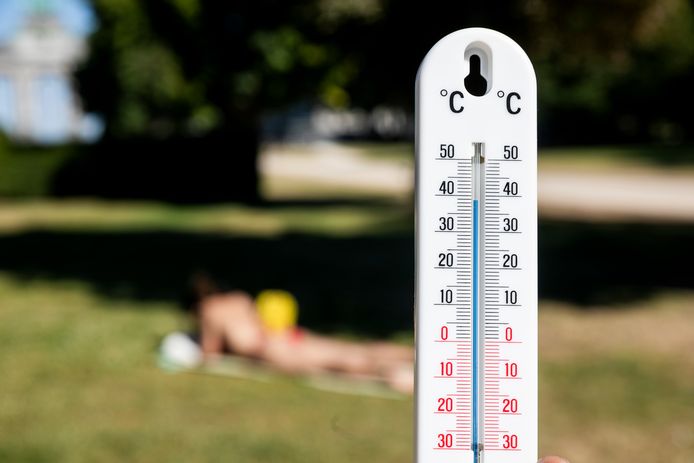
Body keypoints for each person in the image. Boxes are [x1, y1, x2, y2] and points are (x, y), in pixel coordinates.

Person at [183, 274, 414, 393]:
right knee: (348, 349)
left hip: (269, 348)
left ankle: (394, 373)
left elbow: (209, 352)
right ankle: (412, 352)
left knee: (337, 363)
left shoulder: (208, 310)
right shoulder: (240, 298)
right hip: (289, 334)